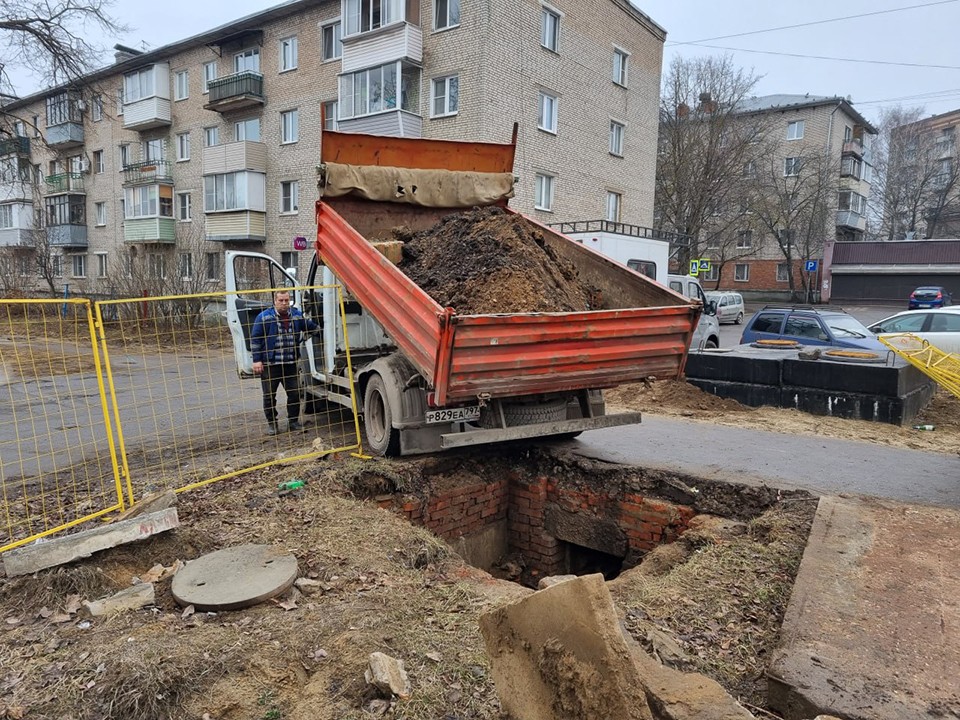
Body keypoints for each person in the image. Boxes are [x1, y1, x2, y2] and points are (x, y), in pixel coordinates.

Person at [250, 290, 319, 435]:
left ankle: (293, 422)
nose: (284, 303)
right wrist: (257, 361)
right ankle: (272, 425)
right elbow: (255, 340)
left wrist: (312, 332)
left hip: (290, 363)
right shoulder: (264, 317)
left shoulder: (296, 315)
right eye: (281, 300)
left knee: (294, 394)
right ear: (275, 301)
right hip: (270, 365)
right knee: (269, 396)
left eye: (286, 300)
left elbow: (312, 327)